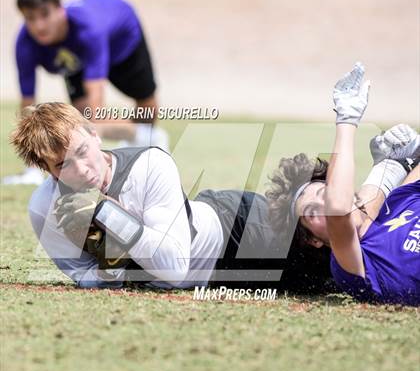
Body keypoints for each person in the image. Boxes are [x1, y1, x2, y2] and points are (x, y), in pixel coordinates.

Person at [10, 102, 333, 293]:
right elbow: (84, 276)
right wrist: (112, 267)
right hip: (210, 273)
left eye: (82, 151)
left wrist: (109, 216)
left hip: (239, 235)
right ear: (46, 170)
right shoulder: (44, 208)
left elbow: (175, 269)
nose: (82, 168)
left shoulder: (150, 164)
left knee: (337, 255)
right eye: (63, 164)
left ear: (95, 135)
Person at [266, 63, 420, 306]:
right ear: (313, 240)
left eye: (323, 192)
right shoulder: (351, 264)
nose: (325, 202)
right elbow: (338, 209)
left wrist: (406, 155)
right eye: (312, 211)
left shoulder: (400, 200)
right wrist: (347, 119)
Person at [5, 0, 168, 185]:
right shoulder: (25, 44)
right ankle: (145, 139)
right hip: (73, 55)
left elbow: (97, 108)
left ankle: (151, 138)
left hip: (122, 40)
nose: (39, 25)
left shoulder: (89, 30)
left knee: (145, 110)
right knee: (84, 116)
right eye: (30, 18)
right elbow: (27, 106)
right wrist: (32, 168)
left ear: (60, 10)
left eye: (45, 14)